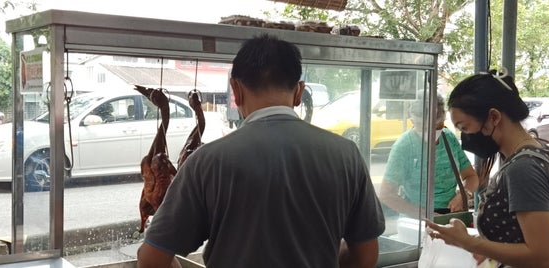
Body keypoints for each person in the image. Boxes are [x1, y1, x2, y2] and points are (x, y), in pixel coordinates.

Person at [137, 34, 385, 268]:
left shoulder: (207, 162)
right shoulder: (346, 155)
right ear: (299, 92)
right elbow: (365, 257)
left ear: (236, 90)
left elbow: (151, 260)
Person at [425, 70, 549, 267]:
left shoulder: (522, 169)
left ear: (494, 117)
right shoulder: (540, 152)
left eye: (464, 127)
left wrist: (469, 242)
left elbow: (547, 259)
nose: (465, 138)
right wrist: (495, 248)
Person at [380, 95, 479, 217]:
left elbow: (471, 176)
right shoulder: (404, 146)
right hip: (416, 222)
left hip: (450, 216)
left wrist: (463, 194)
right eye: (425, 128)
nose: (432, 132)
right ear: (413, 121)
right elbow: (386, 195)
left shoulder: (449, 138)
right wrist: (425, 215)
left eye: (437, 127)